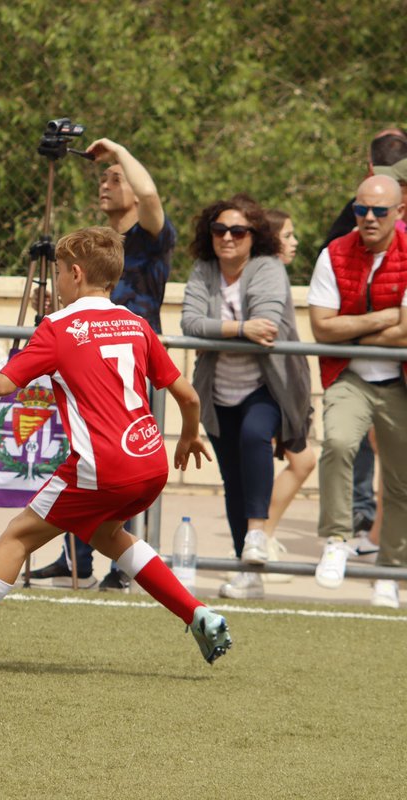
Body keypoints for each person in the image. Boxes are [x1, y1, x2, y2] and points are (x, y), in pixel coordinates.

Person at [0, 227, 231, 675]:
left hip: (101, 466)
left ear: (77, 274)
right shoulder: (136, 324)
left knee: (18, 536)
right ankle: (197, 614)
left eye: (60, 273)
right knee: (108, 534)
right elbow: (189, 397)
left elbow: (5, 383)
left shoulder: (59, 328)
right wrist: (188, 436)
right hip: (149, 462)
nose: (56, 283)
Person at [31, 138, 177, 592]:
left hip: (131, 357)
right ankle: (74, 556)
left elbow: (151, 197)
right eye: (105, 179)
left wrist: (117, 151)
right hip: (86, 359)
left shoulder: (150, 238)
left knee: (125, 455)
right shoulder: (100, 246)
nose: (106, 185)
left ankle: (122, 566)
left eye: (116, 180)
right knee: (83, 456)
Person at [181, 196, 313, 600]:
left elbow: (268, 326)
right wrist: (239, 329)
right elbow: (189, 322)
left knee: (257, 435)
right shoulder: (203, 271)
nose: (227, 238)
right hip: (217, 392)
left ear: (255, 236)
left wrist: (218, 329)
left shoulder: (268, 268)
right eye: (219, 230)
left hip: (268, 386)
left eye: (238, 231)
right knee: (233, 481)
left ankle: (258, 536)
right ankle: (247, 571)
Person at [308, 174, 407, 609]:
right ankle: (336, 540)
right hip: (348, 377)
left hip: (400, 382)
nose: (369, 218)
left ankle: (389, 571)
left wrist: (350, 333)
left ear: (399, 213)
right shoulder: (334, 253)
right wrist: (385, 318)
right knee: (337, 442)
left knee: (401, 482)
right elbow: (321, 326)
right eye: (360, 209)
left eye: (380, 211)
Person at [261, 209, 316, 582]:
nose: (294, 242)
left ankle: (262, 536)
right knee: (302, 461)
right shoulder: (268, 272)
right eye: (288, 235)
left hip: (289, 381)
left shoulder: (274, 271)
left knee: (299, 461)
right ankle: (260, 537)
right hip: (276, 385)